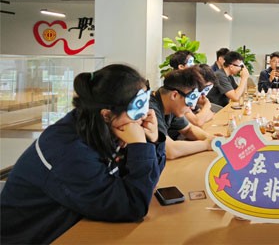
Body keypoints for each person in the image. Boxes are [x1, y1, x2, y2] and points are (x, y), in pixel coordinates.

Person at [0, 64, 165, 244]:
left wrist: (153, 141)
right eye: (137, 108)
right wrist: (140, 147)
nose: (144, 115)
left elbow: (144, 185)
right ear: (106, 114)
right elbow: (133, 206)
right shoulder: (69, 151)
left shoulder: (97, 126)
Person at [151, 67, 215, 159]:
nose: (192, 107)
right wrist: (206, 144)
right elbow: (170, 150)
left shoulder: (172, 105)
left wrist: (211, 138)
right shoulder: (150, 109)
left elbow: (188, 129)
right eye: (190, 102)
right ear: (174, 95)